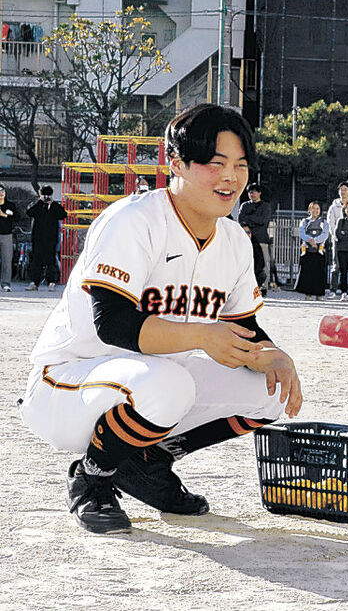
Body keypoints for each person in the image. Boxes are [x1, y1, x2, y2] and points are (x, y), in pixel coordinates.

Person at [18, 103, 303, 535]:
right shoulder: (134, 220)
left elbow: (243, 327)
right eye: (215, 163)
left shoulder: (233, 240)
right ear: (177, 164)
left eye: (241, 165)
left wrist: (273, 353)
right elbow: (111, 323)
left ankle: (147, 461)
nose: (231, 177)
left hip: (153, 381)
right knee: (169, 384)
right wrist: (204, 337)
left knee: (271, 391)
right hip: (71, 383)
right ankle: (93, 477)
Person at [325, 181, 348, 299]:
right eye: (341, 189)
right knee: (336, 266)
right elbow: (331, 223)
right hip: (338, 242)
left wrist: (347, 234)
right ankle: (334, 289)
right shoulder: (334, 206)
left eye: (345, 189)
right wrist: (335, 236)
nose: (343, 192)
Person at [26, 185, 67, 291]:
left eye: (48, 195)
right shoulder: (38, 206)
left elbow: (63, 214)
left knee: (51, 261)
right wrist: (40, 201)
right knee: (36, 261)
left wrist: (52, 203)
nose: (46, 197)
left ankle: (51, 282)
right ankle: (34, 283)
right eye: (44, 195)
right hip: (38, 238)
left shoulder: (54, 206)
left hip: (51, 239)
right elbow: (29, 212)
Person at [237, 183, 272, 295]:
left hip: (261, 239)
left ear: (259, 193)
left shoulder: (265, 206)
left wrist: (249, 219)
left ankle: (264, 286)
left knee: (263, 263)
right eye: (250, 192)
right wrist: (248, 223)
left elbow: (262, 220)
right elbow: (240, 219)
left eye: (254, 192)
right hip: (247, 239)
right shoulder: (244, 206)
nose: (252, 194)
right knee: (247, 263)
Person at [293, 201, 329, 300]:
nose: (315, 211)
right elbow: (302, 233)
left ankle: (319, 294)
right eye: (313, 208)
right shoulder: (304, 221)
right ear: (309, 210)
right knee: (307, 272)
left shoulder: (324, 222)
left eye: (317, 209)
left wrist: (316, 241)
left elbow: (325, 234)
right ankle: (307, 293)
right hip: (307, 249)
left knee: (319, 272)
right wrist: (310, 240)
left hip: (319, 249)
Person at [0, 183, 19, 292]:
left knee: (7, 260)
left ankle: (5, 283)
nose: (1, 193)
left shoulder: (10, 205)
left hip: (7, 235)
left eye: (3, 191)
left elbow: (17, 218)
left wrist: (5, 215)